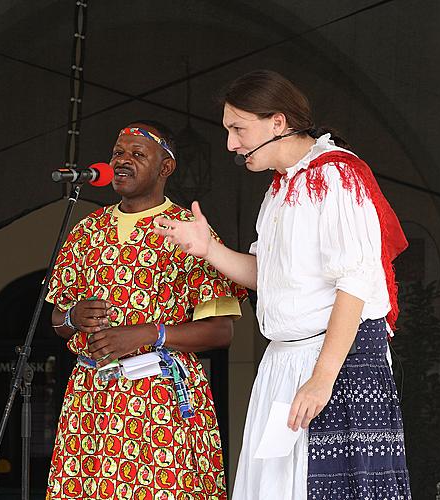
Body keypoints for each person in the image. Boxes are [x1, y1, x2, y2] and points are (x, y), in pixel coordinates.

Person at [154, 69, 412, 499]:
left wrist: (322, 376)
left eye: (238, 129)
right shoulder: (280, 191)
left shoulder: (335, 177)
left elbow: (357, 281)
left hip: (334, 359)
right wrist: (209, 250)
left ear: (278, 122)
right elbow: (269, 277)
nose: (231, 144)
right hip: (286, 360)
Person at [45, 120, 248, 499]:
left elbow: (222, 331)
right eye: (118, 153)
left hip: (162, 398)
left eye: (137, 154)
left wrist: (148, 333)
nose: (122, 161)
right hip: (92, 398)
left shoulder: (190, 230)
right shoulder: (85, 231)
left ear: (165, 168)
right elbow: (57, 320)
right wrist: (73, 316)